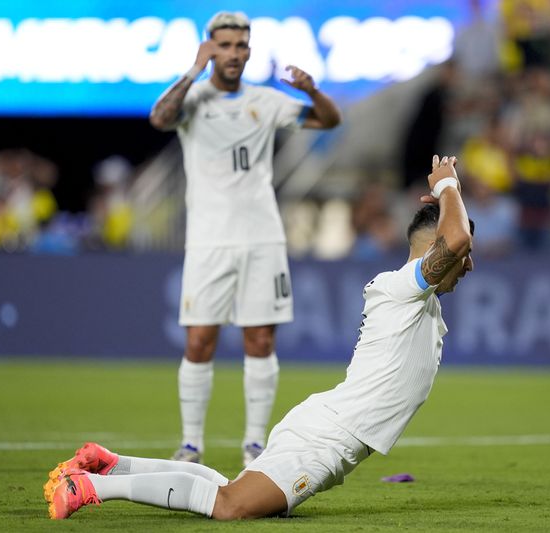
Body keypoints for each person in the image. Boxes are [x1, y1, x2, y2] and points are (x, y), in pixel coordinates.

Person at [44, 155, 475, 521]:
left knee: (231, 490)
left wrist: (449, 202)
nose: (468, 263)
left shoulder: (421, 300)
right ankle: (88, 487)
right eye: (466, 256)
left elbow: (454, 239)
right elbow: (455, 238)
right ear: (437, 243)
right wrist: (448, 186)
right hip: (328, 439)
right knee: (230, 506)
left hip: (325, 426)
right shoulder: (403, 287)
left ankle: (112, 466)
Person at [148, 11, 342, 466]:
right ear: (210, 47)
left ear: (249, 49)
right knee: (199, 341)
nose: (233, 54)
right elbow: (159, 119)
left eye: (240, 45)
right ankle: (191, 444)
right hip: (209, 241)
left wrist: (312, 89)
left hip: (262, 238)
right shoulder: (192, 101)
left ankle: (255, 444)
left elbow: (328, 120)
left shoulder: (266, 100)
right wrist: (194, 70)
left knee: (260, 340)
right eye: (224, 45)